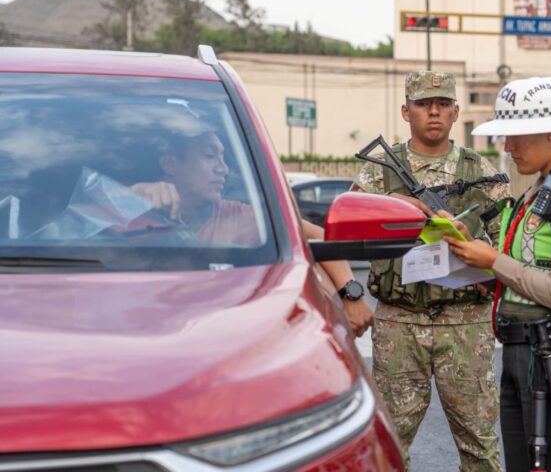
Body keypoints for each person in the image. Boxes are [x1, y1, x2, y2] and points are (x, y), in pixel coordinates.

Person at [443, 76, 551, 472]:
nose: (508, 147)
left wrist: (492, 260)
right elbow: (522, 271)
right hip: (521, 352)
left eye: (517, 135)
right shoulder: (539, 190)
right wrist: (464, 250)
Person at [352, 71, 508, 471]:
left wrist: (468, 243)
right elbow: (350, 232)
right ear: (406, 111)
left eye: (442, 104)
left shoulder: (481, 171)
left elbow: (508, 248)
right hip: (399, 323)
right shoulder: (378, 173)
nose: (433, 111)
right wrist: (393, 207)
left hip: (465, 322)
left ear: (456, 111)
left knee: (480, 447)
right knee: (388, 444)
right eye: (423, 104)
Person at [131, 130, 373, 337]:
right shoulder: (131, 208)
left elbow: (316, 237)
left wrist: (351, 295)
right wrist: (129, 202)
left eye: (223, 158)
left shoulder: (239, 217)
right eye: (208, 156)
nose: (223, 169)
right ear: (171, 164)